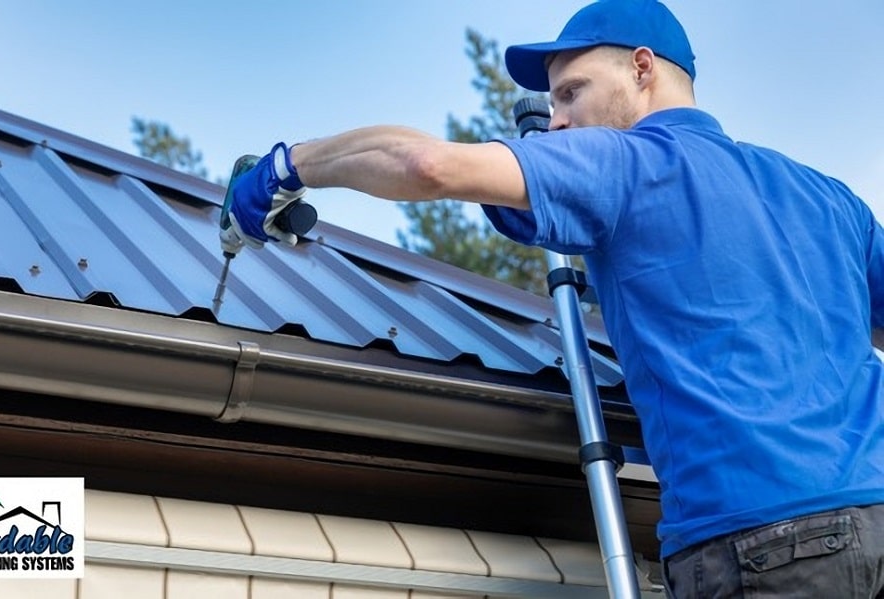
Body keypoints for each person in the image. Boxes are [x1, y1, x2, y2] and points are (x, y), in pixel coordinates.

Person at [220, 0, 884, 596]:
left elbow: (426, 165)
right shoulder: (824, 196)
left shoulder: (626, 162)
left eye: (572, 93)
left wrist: (286, 167)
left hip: (762, 543)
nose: (559, 121)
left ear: (642, 70)